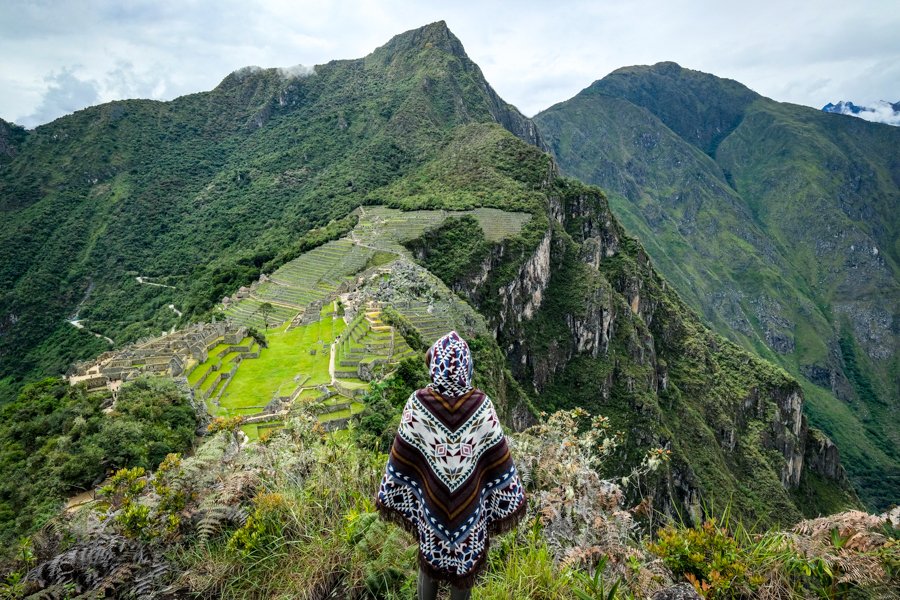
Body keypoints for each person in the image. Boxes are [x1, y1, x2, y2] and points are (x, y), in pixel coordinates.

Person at [375, 331, 527, 599]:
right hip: (469, 506)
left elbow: (403, 458)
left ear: (436, 366)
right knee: (465, 565)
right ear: (466, 367)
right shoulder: (481, 406)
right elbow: (497, 460)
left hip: (432, 505)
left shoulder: (419, 404)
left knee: (429, 555)